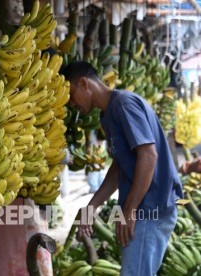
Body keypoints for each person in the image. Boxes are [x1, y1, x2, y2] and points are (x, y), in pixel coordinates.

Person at [61, 61, 183, 275]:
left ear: (84, 83)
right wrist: (92, 207)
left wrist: (130, 210)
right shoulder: (107, 115)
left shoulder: (124, 105)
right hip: (142, 208)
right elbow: (119, 167)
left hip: (150, 208)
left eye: (71, 94)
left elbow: (148, 155)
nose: (71, 103)